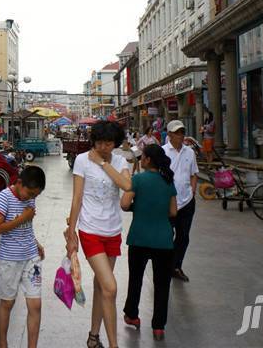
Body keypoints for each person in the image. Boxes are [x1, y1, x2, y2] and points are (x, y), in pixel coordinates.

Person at [65, 121, 131, 348]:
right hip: (90, 229)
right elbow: (77, 197)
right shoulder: (82, 160)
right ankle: (114, 345)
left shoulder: (120, 160)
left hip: (113, 230)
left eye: (109, 143)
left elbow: (126, 185)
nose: (103, 147)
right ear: (94, 141)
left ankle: (93, 336)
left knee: (102, 286)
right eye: (100, 142)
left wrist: (103, 163)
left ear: (115, 143)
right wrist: (71, 233)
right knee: (111, 287)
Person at [121, 144, 178, 341]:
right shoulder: (168, 181)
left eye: (143, 157)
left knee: (135, 278)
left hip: (139, 238)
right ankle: (158, 327)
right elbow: (173, 212)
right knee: (162, 284)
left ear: (146, 160)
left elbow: (124, 204)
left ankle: (132, 315)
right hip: (163, 240)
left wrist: (139, 206)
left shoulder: (137, 179)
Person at [0, 166, 46, 348]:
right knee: (7, 303)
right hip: (9, 260)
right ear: (20, 183)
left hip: (31, 258)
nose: (30, 198)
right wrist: (22, 218)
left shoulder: (29, 200)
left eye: (35, 196)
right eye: (29, 193)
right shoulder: (4, 197)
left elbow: (27, 227)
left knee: (35, 305)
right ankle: (2, 342)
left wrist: (36, 243)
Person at [162, 120, 197, 282]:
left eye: (182, 132)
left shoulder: (189, 152)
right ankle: (165, 266)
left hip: (187, 201)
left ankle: (176, 266)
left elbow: (193, 174)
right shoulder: (162, 152)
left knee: (184, 236)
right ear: (169, 134)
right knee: (167, 235)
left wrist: (193, 192)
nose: (180, 135)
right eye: (177, 132)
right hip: (168, 202)